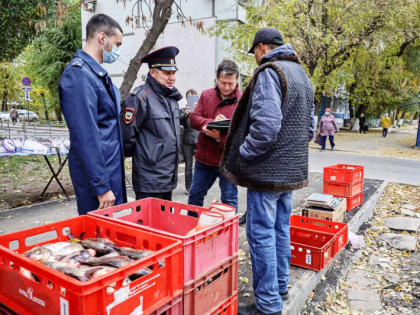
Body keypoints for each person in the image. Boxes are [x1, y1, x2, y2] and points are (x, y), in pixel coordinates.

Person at [220, 27, 315, 315]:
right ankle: (280, 286)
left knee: (261, 233)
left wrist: (245, 154)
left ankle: (268, 304)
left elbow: (266, 126)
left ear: (261, 48)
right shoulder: (302, 74)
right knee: (280, 228)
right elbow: (308, 129)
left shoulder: (269, 72)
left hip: (266, 173)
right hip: (290, 171)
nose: (256, 58)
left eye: (255, 53)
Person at [58, 14, 126, 215]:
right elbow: (85, 136)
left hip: (109, 171)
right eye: (117, 44)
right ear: (102, 38)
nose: (118, 51)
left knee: (112, 239)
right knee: (97, 240)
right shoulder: (79, 75)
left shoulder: (95, 74)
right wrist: (101, 185)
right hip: (98, 180)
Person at [121, 47, 182, 201]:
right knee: (146, 224)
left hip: (168, 177)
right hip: (149, 178)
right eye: (166, 73)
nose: (172, 78)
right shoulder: (140, 98)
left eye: (173, 73)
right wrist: (148, 155)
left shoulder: (172, 99)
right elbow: (126, 139)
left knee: (163, 223)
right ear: (153, 73)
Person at [188, 60, 242, 209]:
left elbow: (243, 133)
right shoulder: (206, 95)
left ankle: (229, 232)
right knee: (195, 196)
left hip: (227, 161)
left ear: (237, 80)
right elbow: (193, 118)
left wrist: (219, 137)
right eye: (223, 83)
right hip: (203, 159)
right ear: (217, 79)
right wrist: (210, 123)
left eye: (230, 83)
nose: (226, 87)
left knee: (229, 200)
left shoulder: (242, 100)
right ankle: (193, 228)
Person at [180, 89, 199, 195]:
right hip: (187, 139)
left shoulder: (200, 109)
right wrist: (186, 114)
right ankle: (188, 187)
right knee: (188, 165)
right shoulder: (183, 110)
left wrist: (197, 111)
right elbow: (180, 122)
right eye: (189, 96)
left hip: (198, 138)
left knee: (199, 165)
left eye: (193, 96)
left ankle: (197, 186)